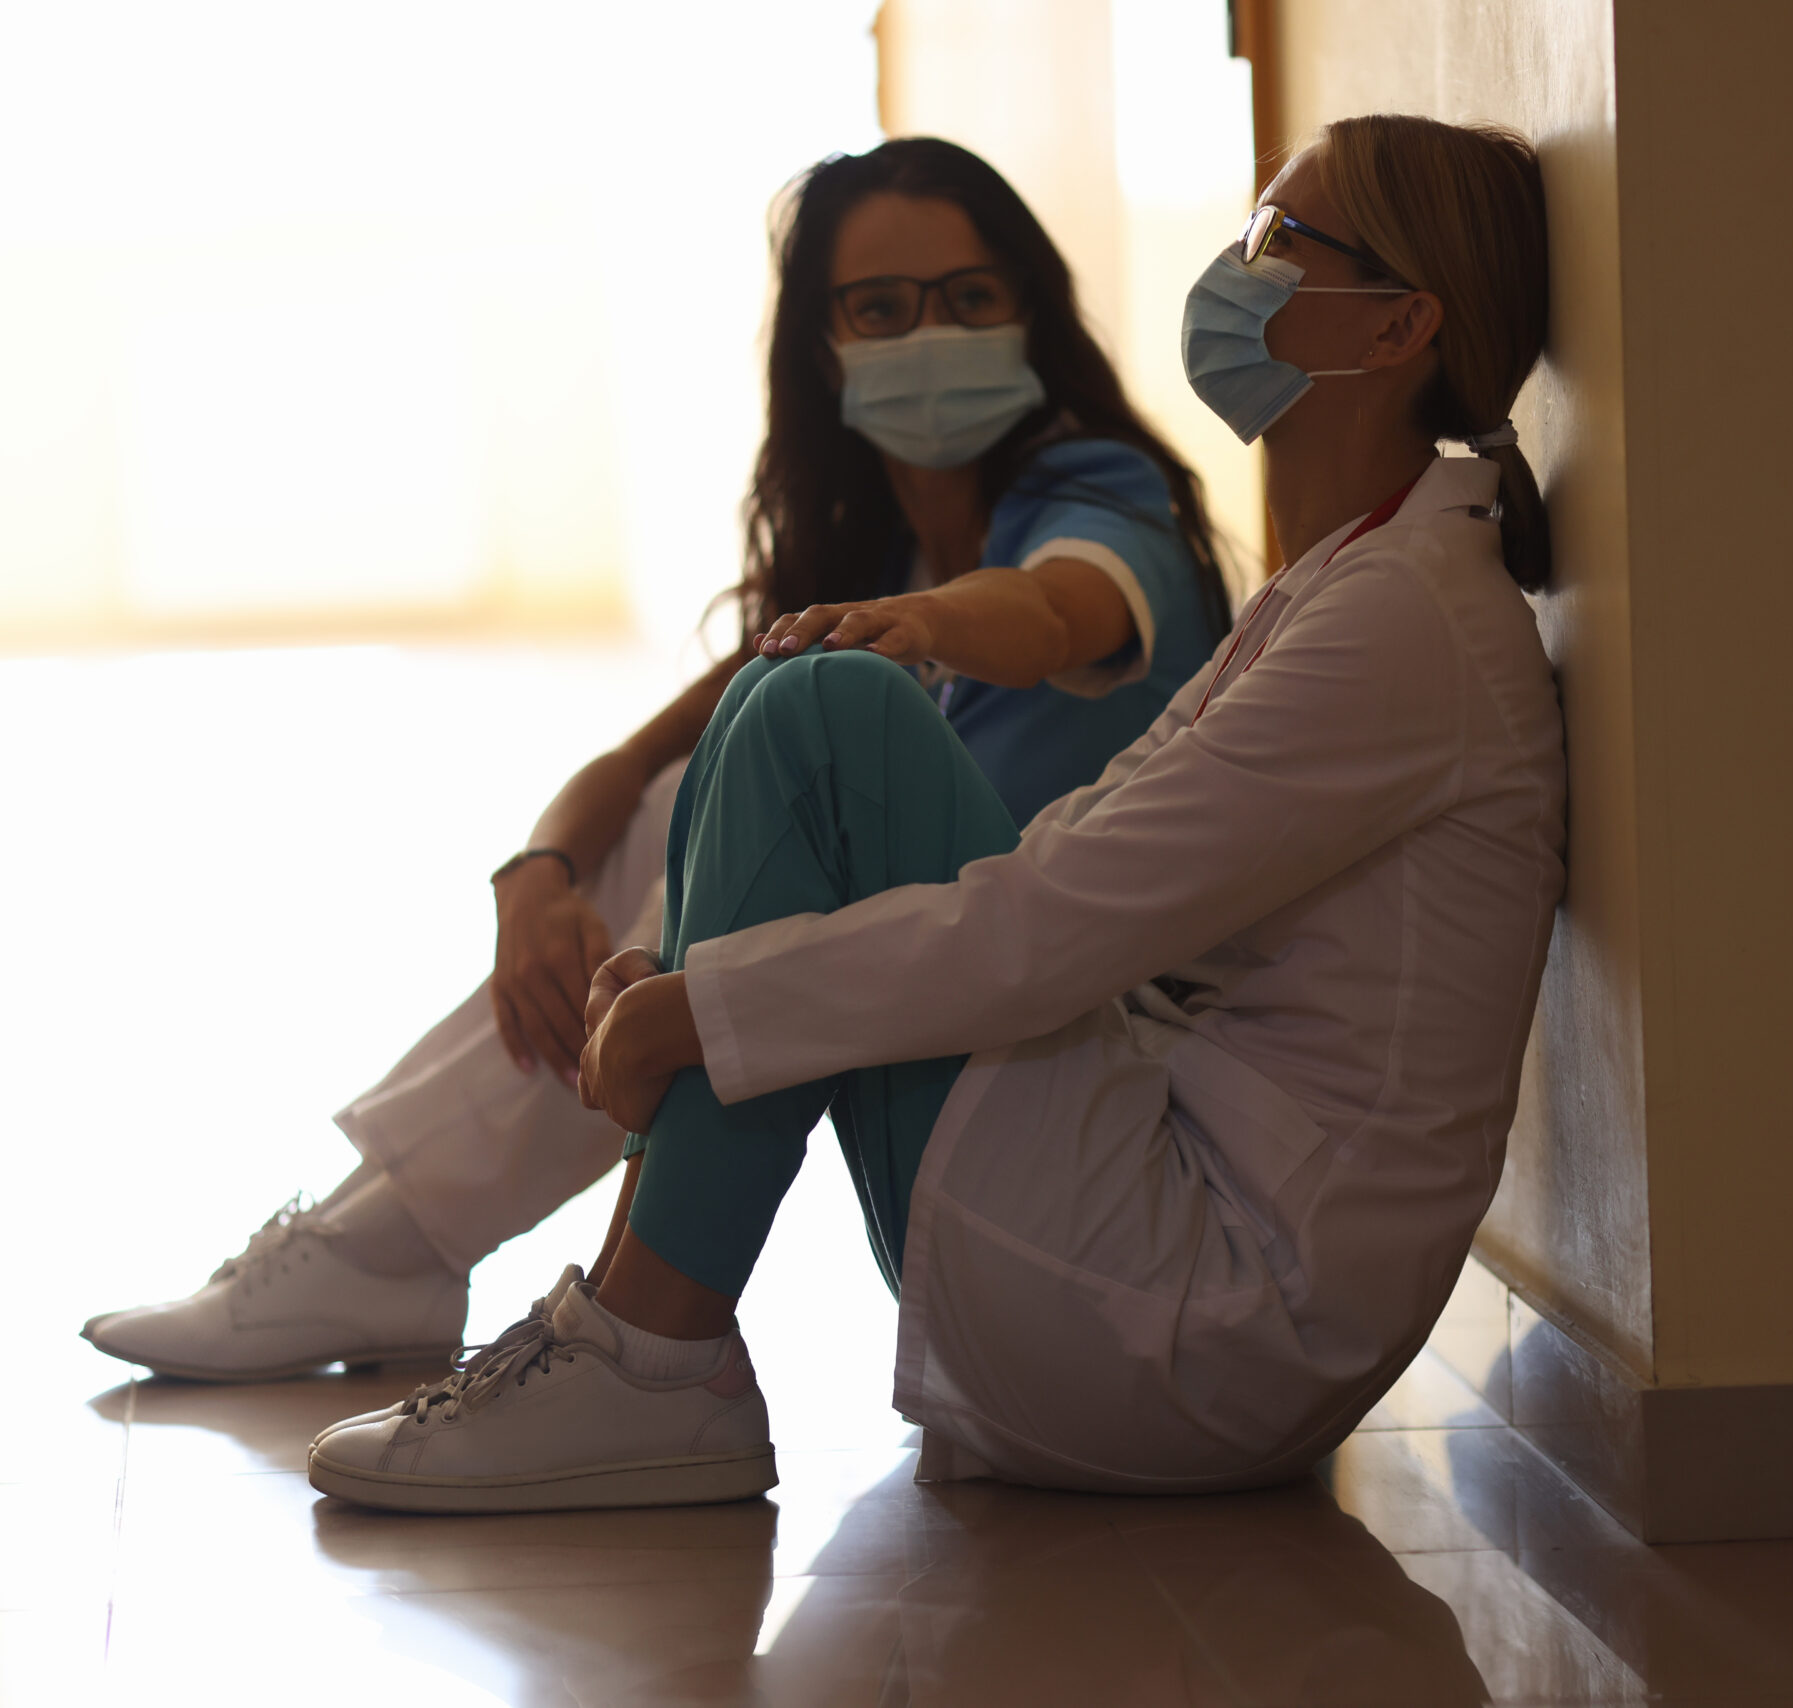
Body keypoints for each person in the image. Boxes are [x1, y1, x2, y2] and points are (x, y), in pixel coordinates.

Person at [302, 113, 1567, 1513]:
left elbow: (1052, 910)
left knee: (822, 711)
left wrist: (702, 1006)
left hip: (1217, 1319)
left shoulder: (1397, 620)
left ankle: (642, 1347)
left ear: (1395, 329)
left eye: (1277, 241)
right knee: (789, 708)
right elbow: (1067, 862)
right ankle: (630, 1335)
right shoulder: (1355, 579)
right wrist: (682, 977)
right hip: (1162, 1234)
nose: (1236, 270)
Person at [81, 138, 1230, 1381]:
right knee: (687, 795)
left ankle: (425, 1259)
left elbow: (1064, 611)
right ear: (822, 342)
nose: (928, 334)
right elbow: (632, 764)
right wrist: (536, 876)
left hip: (1088, 1053)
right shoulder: (877, 556)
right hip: (939, 1010)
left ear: (1030, 312)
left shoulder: (1099, 499)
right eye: (880, 308)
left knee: (742, 819)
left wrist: (933, 624)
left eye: (968, 297)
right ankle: (391, 1242)